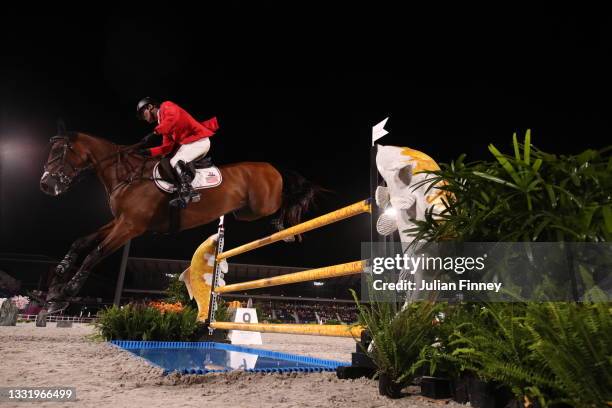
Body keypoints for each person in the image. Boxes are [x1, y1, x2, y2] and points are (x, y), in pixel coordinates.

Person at [136, 97, 218, 208]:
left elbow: (172, 119)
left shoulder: (166, 106)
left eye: (143, 114)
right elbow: (166, 148)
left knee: (176, 160)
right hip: (190, 144)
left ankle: (189, 191)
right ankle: (183, 188)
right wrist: (147, 152)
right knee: (170, 159)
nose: (144, 118)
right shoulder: (163, 124)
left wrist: (154, 133)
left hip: (199, 141)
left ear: (150, 107)